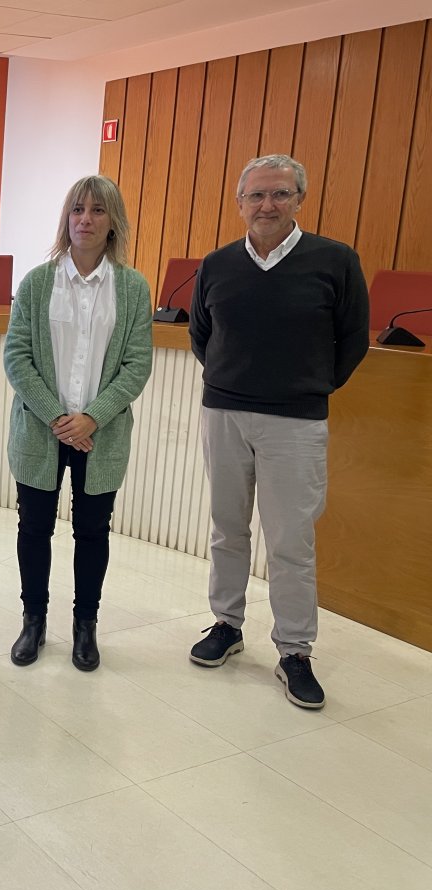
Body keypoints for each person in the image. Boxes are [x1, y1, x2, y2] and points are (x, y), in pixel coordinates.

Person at [188, 153, 368, 709]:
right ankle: (226, 625)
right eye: (256, 195)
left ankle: (294, 650)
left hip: (296, 422)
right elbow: (202, 335)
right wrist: (234, 384)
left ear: (299, 200)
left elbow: (353, 341)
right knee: (226, 528)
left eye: (280, 194)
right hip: (225, 413)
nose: (267, 205)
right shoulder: (217, 265)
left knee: (291, 542)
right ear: (240, 203)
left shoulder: (335, 261)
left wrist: (305, 386)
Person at [4, 175, 151, 672]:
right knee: (34, 528)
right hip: (40, 431)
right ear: (66, 219)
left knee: (93, 532)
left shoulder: (131, 288)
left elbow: (136, 365)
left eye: (98, 211)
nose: (86, 219)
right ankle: (33, 621)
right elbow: (17, 357)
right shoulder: (38, 282)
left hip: (100, 435)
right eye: (78, 210)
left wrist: (91, 418)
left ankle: (85, 627)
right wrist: (58, 417)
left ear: (113, 223)